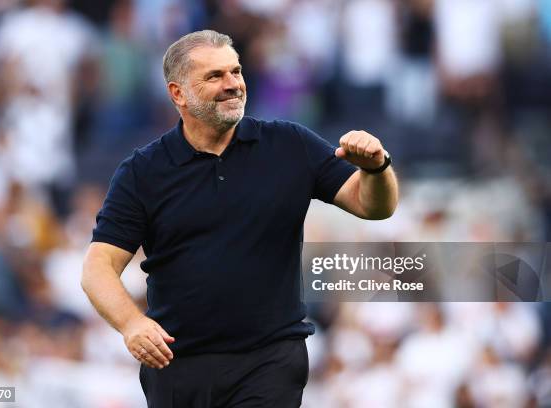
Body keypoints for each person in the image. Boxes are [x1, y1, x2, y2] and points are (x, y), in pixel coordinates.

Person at [81, 30, 398, 407]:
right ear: (178, 93)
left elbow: (373, 206)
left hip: (270, 359)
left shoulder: (289, 144)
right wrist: (132, 324)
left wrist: (377, 169)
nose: (233, 84)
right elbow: (98, 267)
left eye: (236, 71)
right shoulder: (143, 171)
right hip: (177, 364)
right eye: (214, 76)